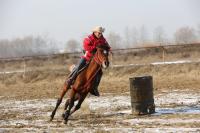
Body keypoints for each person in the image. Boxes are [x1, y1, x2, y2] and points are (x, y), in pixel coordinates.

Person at [66, 26, 111, 96]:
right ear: (95, 32)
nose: (100, 34)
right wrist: (96, 48)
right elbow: (86, 46)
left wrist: (108, 49)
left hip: (96, 60)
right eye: (99, 33)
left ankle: (95, 88)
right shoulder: (89, 38)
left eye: (101, 33)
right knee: (79, 67)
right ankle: (71, 80)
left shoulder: (102, 39)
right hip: (87, 57)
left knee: (100, 73)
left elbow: (107, 45)